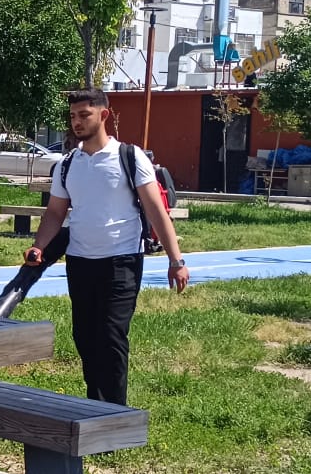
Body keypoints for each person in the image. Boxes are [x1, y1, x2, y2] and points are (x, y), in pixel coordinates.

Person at [24, 89, 189, 405]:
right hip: (80, 262)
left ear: (103, 115)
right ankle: (95, 407)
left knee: (111, 337)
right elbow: (56, 212)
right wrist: (39, 246)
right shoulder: (68, 164)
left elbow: (156, 210)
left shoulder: (130, 156)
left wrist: (176, 260)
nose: (77, 122)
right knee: (85, 338)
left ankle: (113, 416)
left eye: (84, 115)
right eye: (73, 116)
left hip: (121, 261)